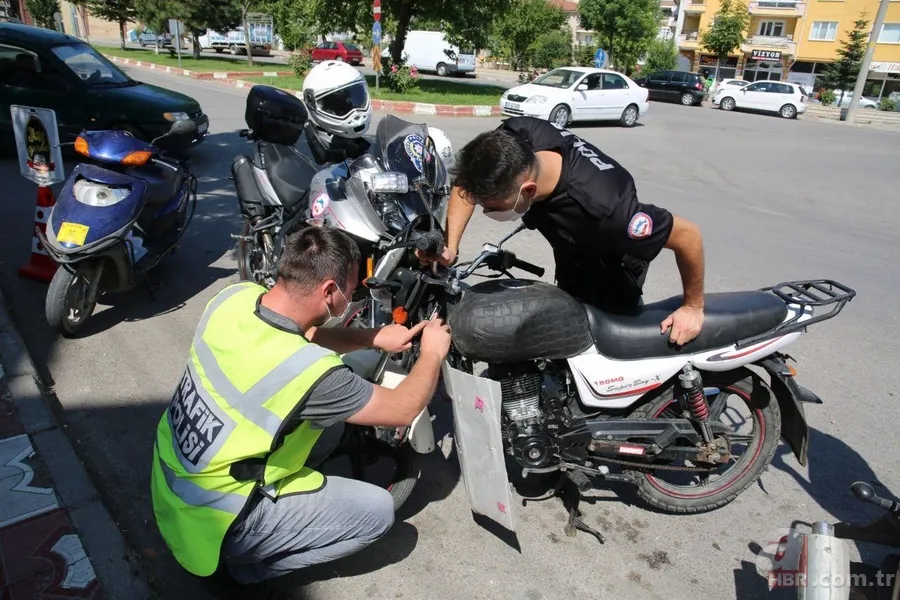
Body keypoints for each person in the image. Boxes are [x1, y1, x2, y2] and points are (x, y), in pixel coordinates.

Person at [150, 226, 452, 590]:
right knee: (378, 513)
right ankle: (245, 572)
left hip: (172, 479)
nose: (352, 295)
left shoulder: (234, 297)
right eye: (352, 288)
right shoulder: (315, 375)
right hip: (218, 520)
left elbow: (300, 333)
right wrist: (433, 351)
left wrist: (371, 337)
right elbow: (403, 408)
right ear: (329, 291)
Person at [419, 116, 706, 347]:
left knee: (605, 360)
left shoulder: (609, 211)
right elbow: (467, 183)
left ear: (528, 192)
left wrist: (692, 307)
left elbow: (687, 235)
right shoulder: (518, 135)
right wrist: (451, 247)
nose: (484, 211)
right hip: (571, 258)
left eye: (491, 207)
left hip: (609, 279)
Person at [300, 60, 454, 168]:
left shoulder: (366, 147)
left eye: (356, 99)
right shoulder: (309, 155)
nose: (354, 112)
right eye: (338, 105)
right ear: (313, 104)